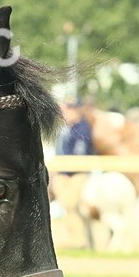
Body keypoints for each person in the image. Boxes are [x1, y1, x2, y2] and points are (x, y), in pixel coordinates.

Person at [52, 99, 94, 249]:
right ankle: (82, 240)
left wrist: (65, 173)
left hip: (76, 173)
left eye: (66, 110)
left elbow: (79, 155)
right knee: (70, 207)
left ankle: (79, 240)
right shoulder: (66, 129)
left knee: (71, 205)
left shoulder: (82, 129)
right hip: (65, 172)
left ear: (74, 110)